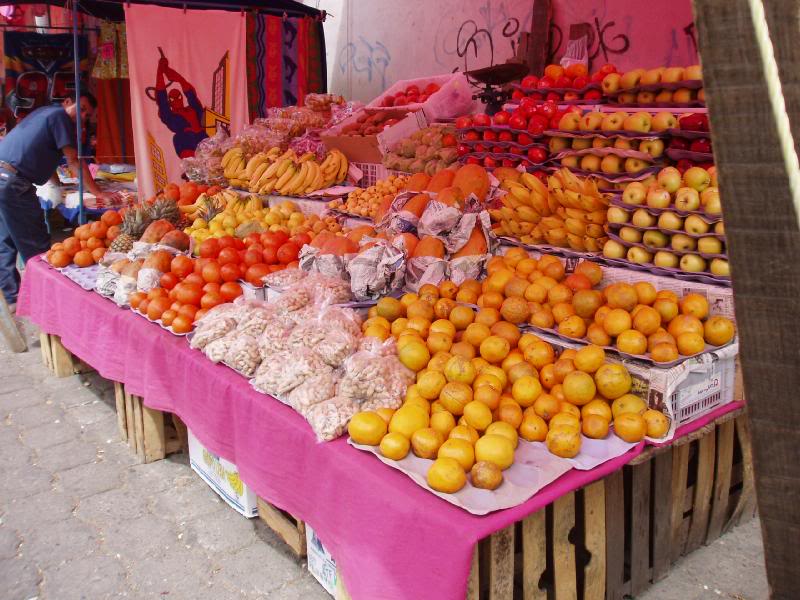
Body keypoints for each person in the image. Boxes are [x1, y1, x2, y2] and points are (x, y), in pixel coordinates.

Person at [0, 92, 107, 308]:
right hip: (13, 183)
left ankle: (14, 298)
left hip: (3, 174)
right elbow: (74, 161)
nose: (83, 116)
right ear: (67, 102)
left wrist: (57, 184)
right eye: (82, 109)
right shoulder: (61, 117)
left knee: (6, 241)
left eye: (87, 115)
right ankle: (45, 301)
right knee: (36, 243)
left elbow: (43, 153)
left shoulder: (44, 113)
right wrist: (99, 193)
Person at [155, 55, 208, 158]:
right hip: (187, 144)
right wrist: (160, 71)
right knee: (180, 138)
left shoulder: (192, 109)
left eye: (178, 96)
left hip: (204, 141)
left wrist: (179, 79)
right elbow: (161, 98)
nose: (177, 100)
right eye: (172, 99)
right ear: (169, 102)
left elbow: (191, 94)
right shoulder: (170, 116)